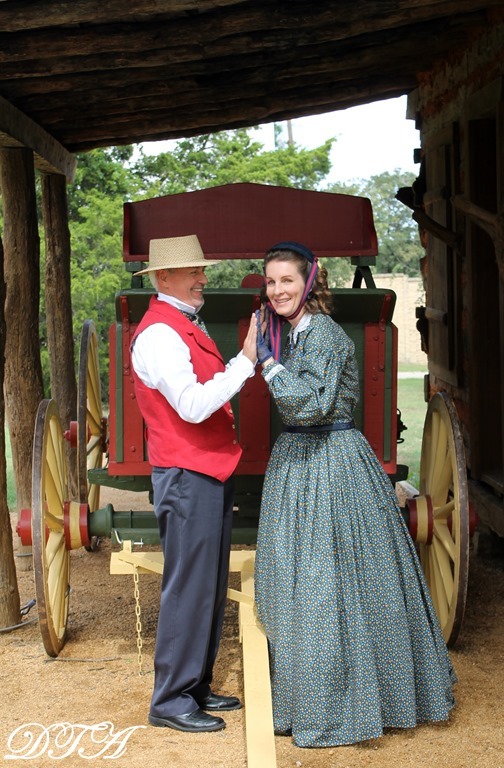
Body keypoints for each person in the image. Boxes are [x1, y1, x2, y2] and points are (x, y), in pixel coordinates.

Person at [254, 240, 457, 748]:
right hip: (302, 463)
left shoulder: (319, 332)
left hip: (329, 463)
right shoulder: (297, 332)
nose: (278, 290)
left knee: (326, 584)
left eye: (288, 281)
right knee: (308, 584)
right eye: (271, 281)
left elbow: (308, 409)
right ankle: (313, 695)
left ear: (310, 282)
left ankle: (340, 706)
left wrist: (267, 364)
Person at [131, 234, 257, 734]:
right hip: (186, 475)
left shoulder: (178, 324)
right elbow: (192, 405)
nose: (203, 278)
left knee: (205, 584)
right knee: (187, 588)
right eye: (193, 272)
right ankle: (170, 700)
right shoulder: (160, 333)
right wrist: (245, 360)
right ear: (164, 279)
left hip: (204, 470)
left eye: (200, 270)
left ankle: (195, 686)